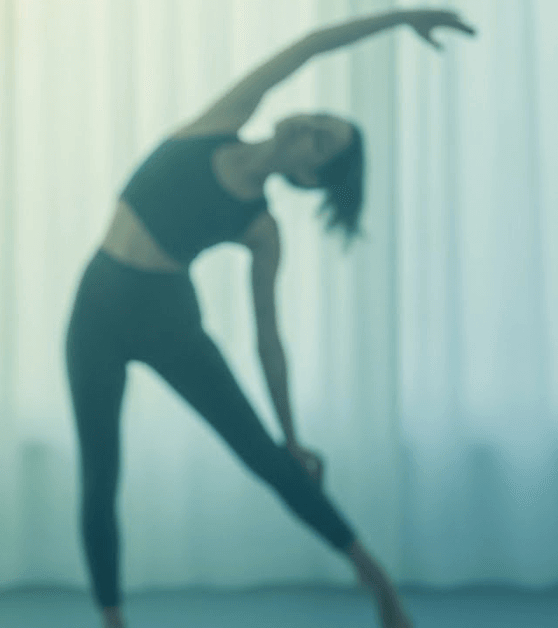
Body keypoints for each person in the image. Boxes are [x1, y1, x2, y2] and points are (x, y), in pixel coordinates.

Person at [65, 8, 475, 628]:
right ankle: (114, 621)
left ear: (307, 174)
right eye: (319, 119)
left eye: (321, 140)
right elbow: (314, 44)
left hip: (168, 319)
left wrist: (289, 433)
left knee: (263, 456)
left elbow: (269, 340)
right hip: (95, 305)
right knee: (100, 474)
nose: (309, 124)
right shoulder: (220, 123)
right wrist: (405, 17)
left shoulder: (261, 229)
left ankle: (377, 580)